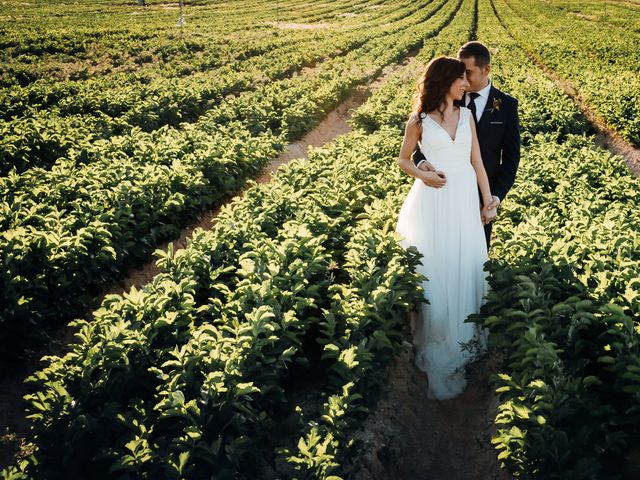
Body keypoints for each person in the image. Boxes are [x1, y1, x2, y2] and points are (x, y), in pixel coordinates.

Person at [395, 56, 494, 400]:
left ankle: (463, 335)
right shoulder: (418, 121)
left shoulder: (467, 116)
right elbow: (404, 159)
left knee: (464, 260)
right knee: (438, 265)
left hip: (464, 198)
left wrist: (487, 200)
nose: (467, 84)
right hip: (435, 198)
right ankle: (442, 337)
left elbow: (478, 163)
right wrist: (423, 174)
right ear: (445, 81)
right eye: (460, 80)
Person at [412, 41, 521, 249]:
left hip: (482, 196)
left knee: (475, 257)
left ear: (486, 69)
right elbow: (422, 142)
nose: (463, 79)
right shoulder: (449, 98)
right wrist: (422, 163)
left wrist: (494, 198)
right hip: (442, 192)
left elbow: (511, 158)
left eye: (468, 72)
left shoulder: (507, 105)